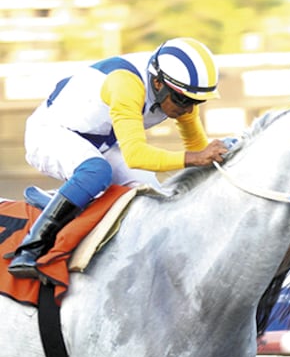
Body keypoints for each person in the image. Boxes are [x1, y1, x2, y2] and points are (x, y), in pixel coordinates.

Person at [7, 37, 229, 278]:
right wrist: (195, 158)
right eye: (183, 100)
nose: (188, 109)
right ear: (157, 82)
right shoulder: (126, 84)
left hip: (99, 142)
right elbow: (136, 156)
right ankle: (31, 248)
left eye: (197, 101)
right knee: (96, 172)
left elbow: (199, 148)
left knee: (156, 197)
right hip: (51, 133)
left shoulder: (176, 89)